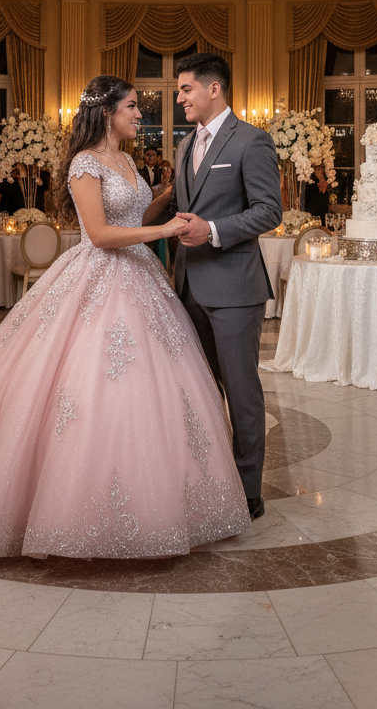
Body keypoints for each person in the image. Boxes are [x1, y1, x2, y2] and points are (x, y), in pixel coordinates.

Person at [0, 75, 251, 558]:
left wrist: (167, 198)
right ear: (107, 112)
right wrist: (166, 229)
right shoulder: (85, 162)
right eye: (131, 106)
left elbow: (135, 218)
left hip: (142, 276)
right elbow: (101, 234)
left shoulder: (127, 160)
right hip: (99, 273)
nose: (139, 114)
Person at [169, 52, 282, 521]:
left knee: (241, 392)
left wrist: (212, 230)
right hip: (188, 288)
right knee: (198, 392)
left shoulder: (252, 141)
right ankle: (210, 478)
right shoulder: (183, 146)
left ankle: (248, 489)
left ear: (213, 88)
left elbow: (269, 211)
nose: (179, 99)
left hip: (235, 289)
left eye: (186, 89)